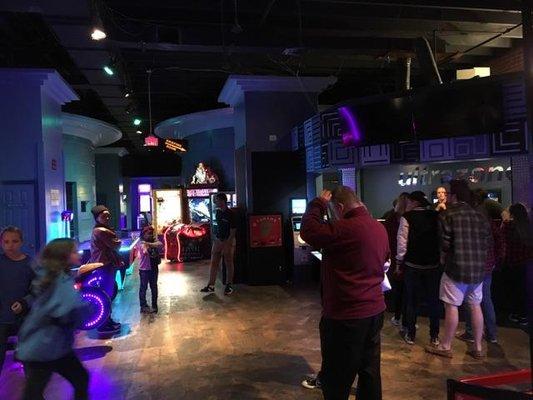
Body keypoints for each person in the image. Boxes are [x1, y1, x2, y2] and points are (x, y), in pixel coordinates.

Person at [300, 186, 389, 400]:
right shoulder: (378, 228)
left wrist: (318, 203)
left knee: (336, 377)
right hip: (375, 310)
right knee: (369, 372)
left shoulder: (345, 228)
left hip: (347, 314)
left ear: (339, 207)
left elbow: (308, 231)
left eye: (333, 211)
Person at [425, 180, 492, 360]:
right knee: (475, 305)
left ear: (453, 196)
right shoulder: (480, 216)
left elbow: (445, 244)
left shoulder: (448, 214)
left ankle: (446, 346)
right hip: (478, 270)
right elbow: (487, 242)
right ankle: (477, 347)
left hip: (456, 268)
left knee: (451, 306)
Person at [16, 238, 89, 400]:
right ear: (63, 255)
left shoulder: (52, 275)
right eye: (74, 251)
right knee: (34, 393)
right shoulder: (59, 280)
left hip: (51, 346)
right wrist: (85, 309)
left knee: (80, 378)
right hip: (43, 348)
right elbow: (68, 308)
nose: (78, 254)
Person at [396, 191, 441, 346]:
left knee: (412, 300)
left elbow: (402, 242)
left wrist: (399, 261)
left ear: (414, 202)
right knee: (433, 301)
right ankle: (434, 335)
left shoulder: (407, 217)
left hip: (412, 264)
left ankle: (411, 333)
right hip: (433, 264)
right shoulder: (435, 215)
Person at [0, 226, 35, 376]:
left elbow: (37, 291)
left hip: (24, 317)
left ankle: (34, 392)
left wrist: (24, 302)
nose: (10, 245)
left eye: (14, 241)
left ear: (21, 242)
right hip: (2, 318)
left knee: (29, 357)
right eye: (6, 242)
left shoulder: (30, 264)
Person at [89, 205, 122, 333]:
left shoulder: (98, 230)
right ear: (97, 218)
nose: (107, 218)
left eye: (108, 215)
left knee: (107, 294)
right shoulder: (101, 231)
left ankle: (107, 321)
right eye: (104, 216)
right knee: (106, 294)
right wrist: (117, 241)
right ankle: (104, 324)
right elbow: (116, 244)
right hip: (104, 265)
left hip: (103, 264)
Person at [500, 203, 533, 326]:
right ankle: (523, 315)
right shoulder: (528, 226)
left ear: (512, 213)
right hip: (525, 262)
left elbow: (502, 241)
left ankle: (515, 314)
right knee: (523, 288)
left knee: (513, 290)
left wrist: (504, 220)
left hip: (511, 262)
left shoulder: (509, 226)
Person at [200, 193, 236, 295]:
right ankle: (211, 285)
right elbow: (218, 227)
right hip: (218, 240)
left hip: (228, 240)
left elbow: (233, 230)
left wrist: (228, 243)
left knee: (228, 263)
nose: (215, 202)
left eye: (216, 200)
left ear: (222, 200)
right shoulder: (218, 213)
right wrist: (216, 239)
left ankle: (229, 285)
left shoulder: (231, 213)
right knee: (214, 262)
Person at [384, 192, 409, 328]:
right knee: (408, 291)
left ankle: (398, 316)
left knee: (398, 290)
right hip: (409, 260)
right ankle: (407, 320)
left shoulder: (390, 219)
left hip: (394, 258)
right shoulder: (411, 219)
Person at [137, 226, 162, 314]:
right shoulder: (141, 243)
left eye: (152, 233)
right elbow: (145, 251)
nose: (151, 235)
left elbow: (160, 244)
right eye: (149, 234)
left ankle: (154, 305)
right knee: (143, 288)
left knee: (154, 287)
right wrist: (147, 245)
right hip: (144, 269)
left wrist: (149, 243)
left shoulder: (151, 241)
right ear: (143, 234)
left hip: (154, 267)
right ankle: (143, 306)